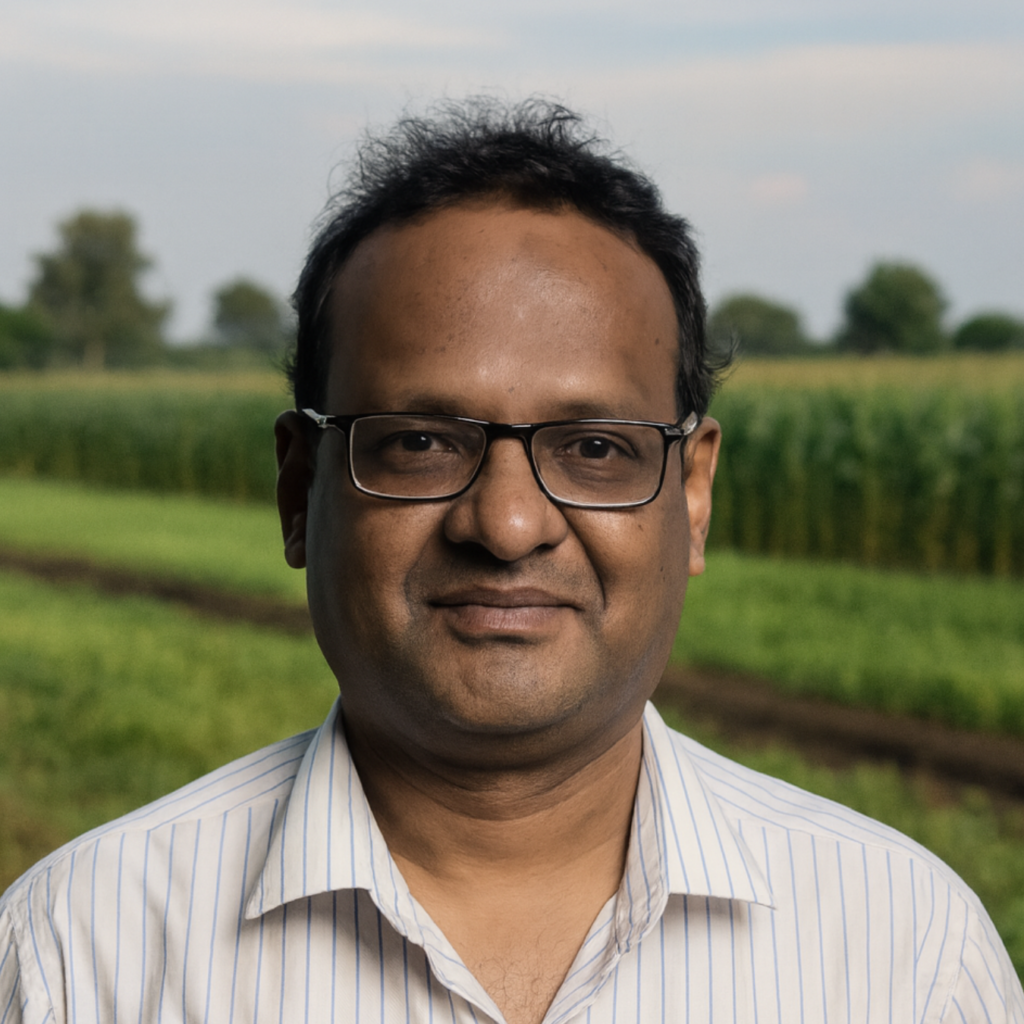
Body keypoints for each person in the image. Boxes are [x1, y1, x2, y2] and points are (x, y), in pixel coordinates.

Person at [1, 99, 1021, 1024]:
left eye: (595, 449)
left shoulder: (905, 955)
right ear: (298, 489)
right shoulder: (77, 957)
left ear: (692, 496)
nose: (508, 524)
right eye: (419, 442)